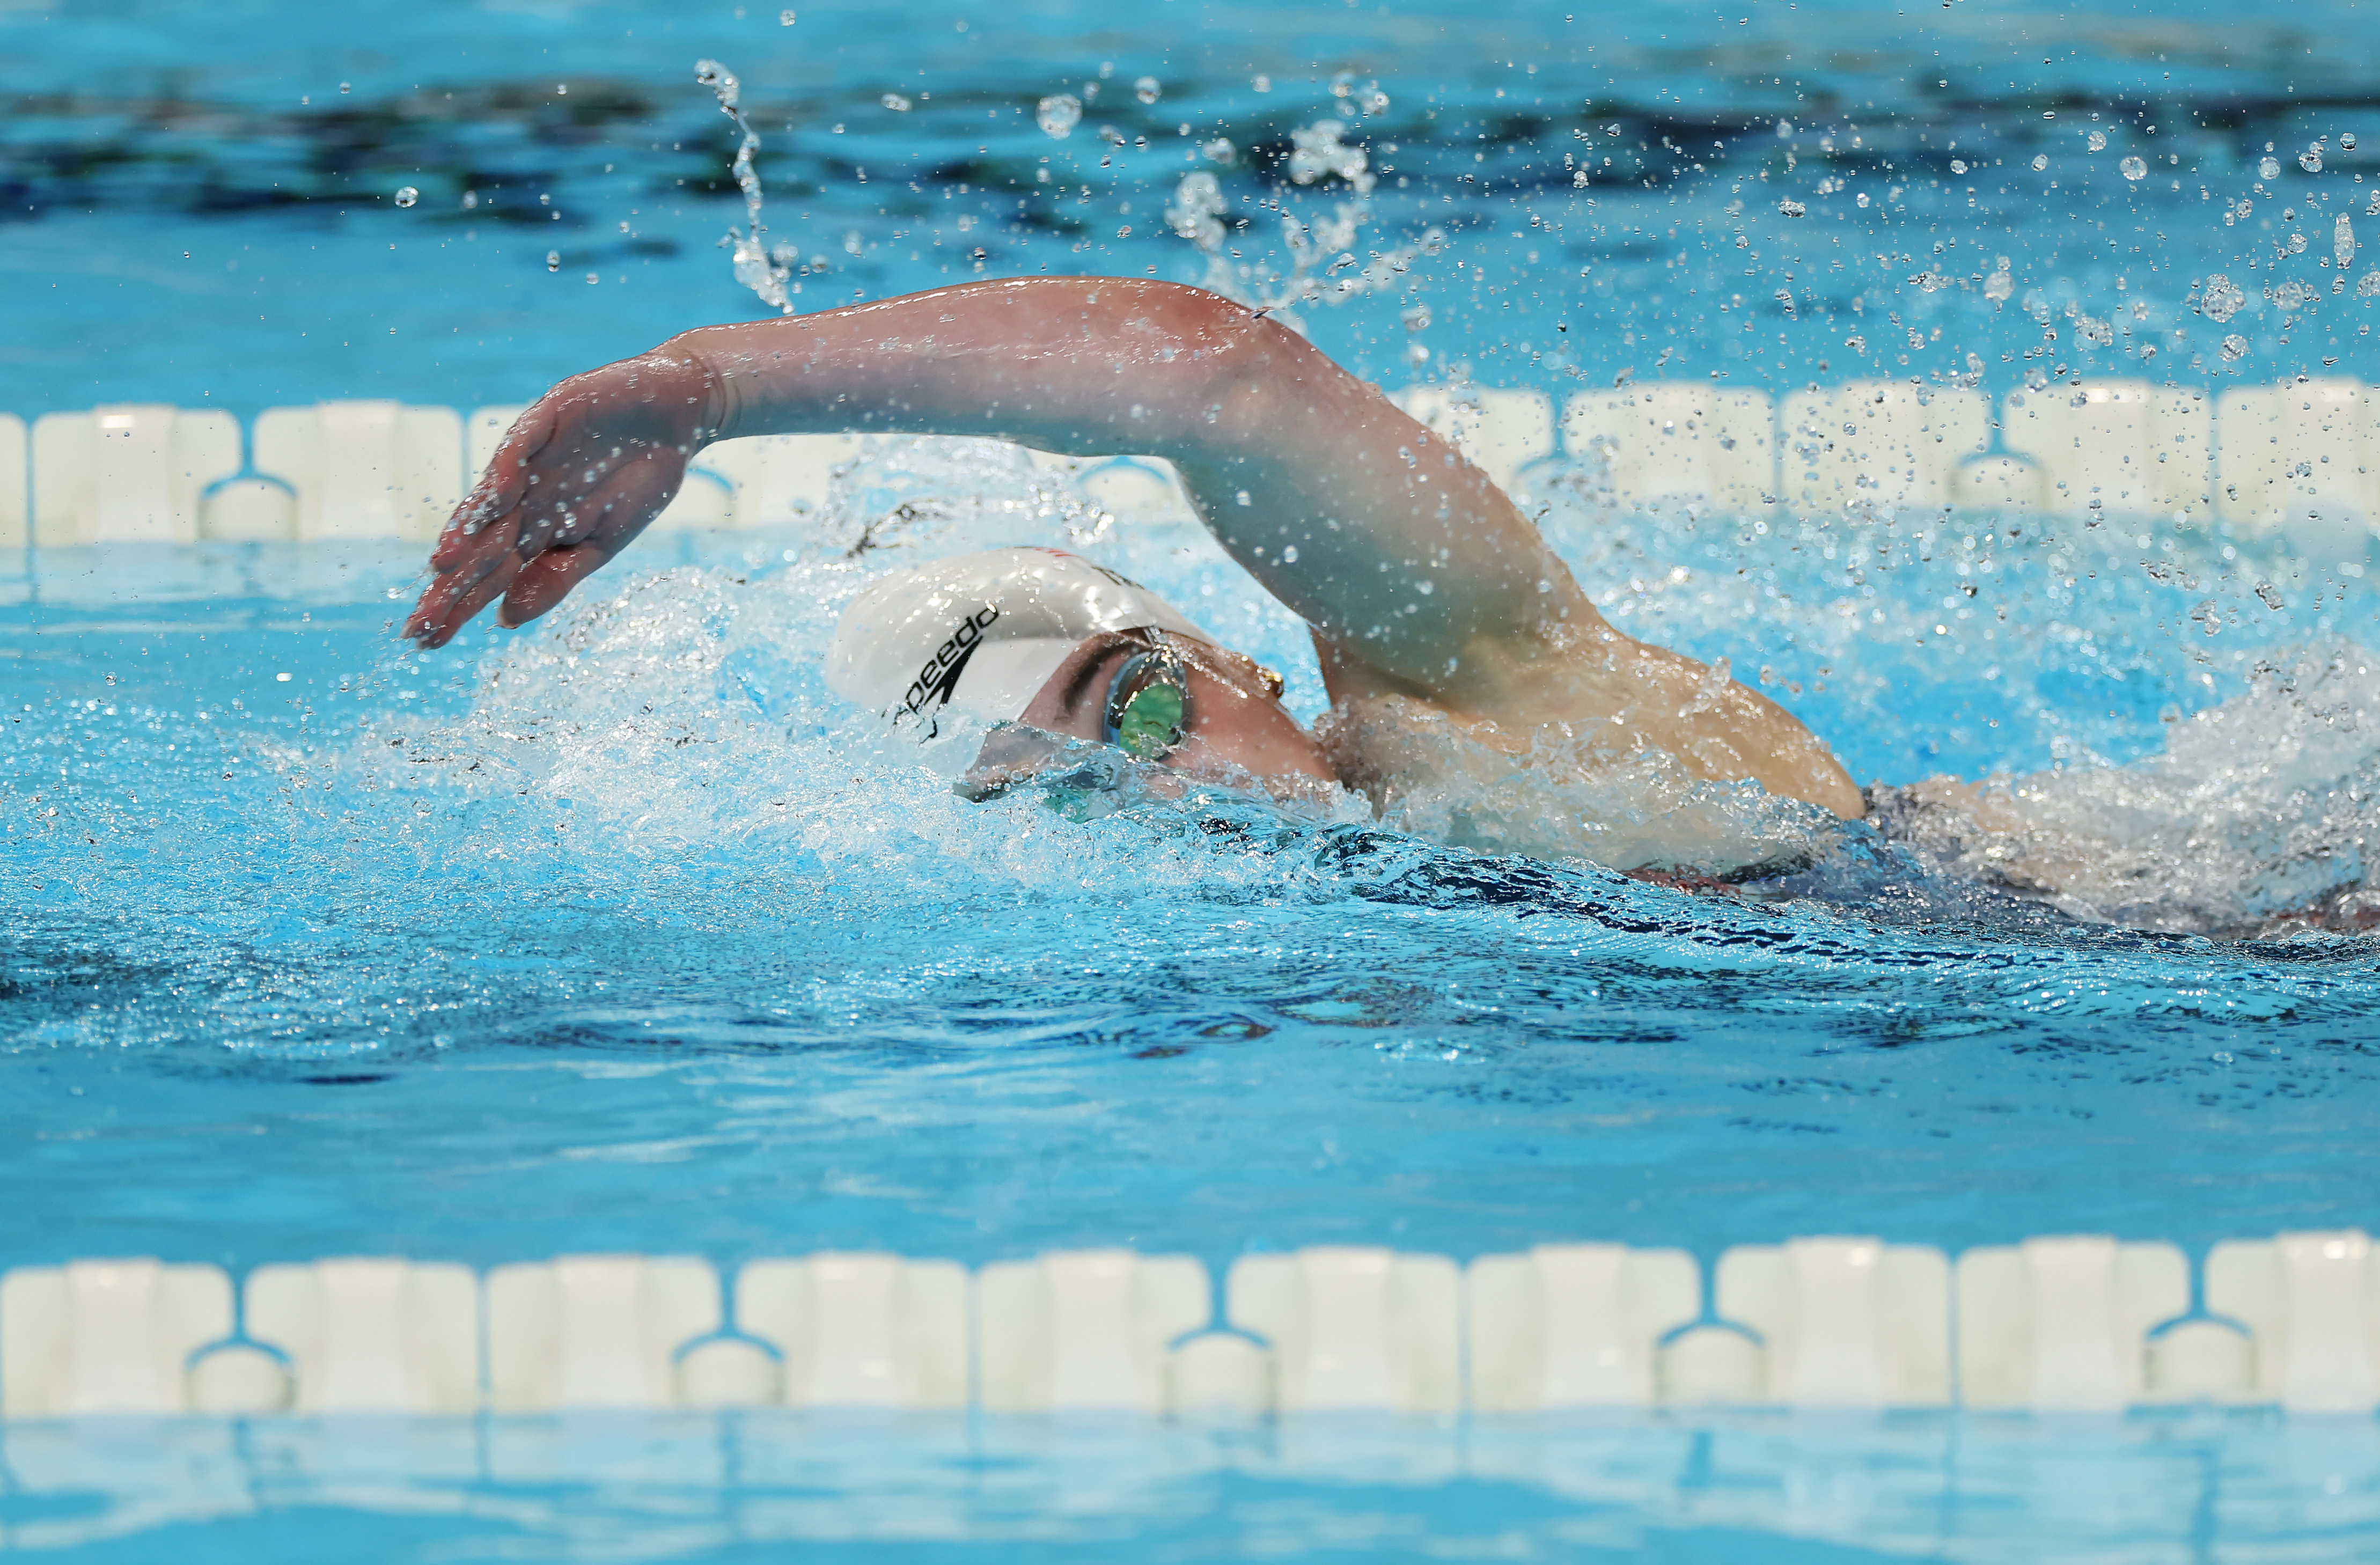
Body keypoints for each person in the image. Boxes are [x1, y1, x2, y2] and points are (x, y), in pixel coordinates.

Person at [406, 276, 1869, 877]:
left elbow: (1221, 379)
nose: (1163, 785)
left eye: (1142, 709)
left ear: (1238, 667)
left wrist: (706, 387)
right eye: (1062, 778)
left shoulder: (1475, 694)